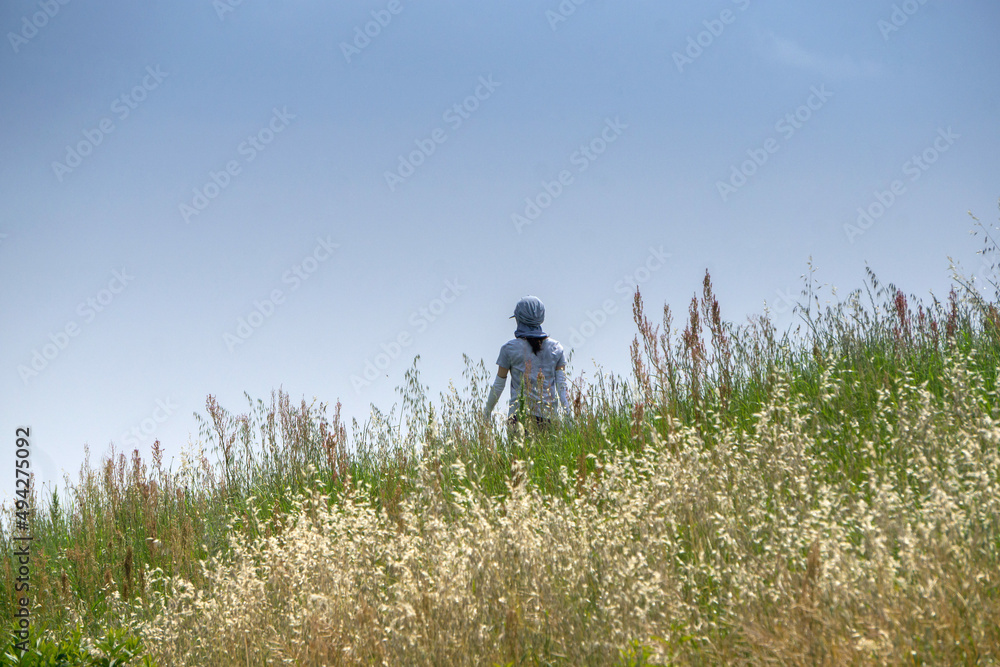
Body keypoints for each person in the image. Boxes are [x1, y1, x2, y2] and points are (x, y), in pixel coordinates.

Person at [483, 295, 571, 428]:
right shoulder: (556, 348)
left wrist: (487, 411)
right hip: (549, 419)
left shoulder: (509, 348)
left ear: (519, 319)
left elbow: (499, 385)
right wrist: (568, 415)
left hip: (518, 418)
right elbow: (561, 385)